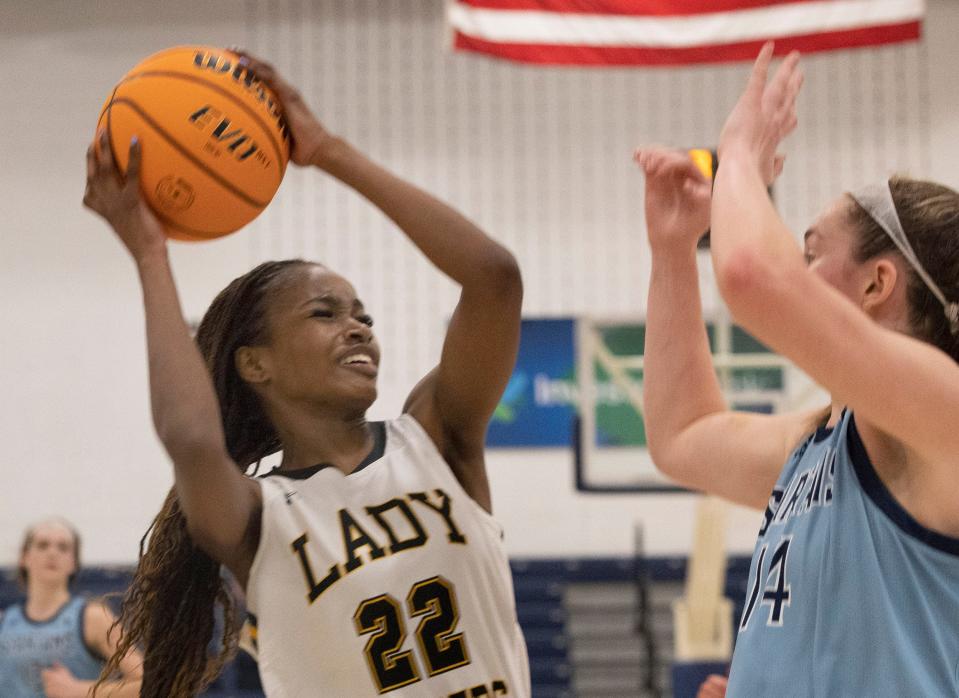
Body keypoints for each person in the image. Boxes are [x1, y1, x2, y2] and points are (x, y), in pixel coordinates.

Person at [83, 49, 529, 698]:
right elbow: (190, 438)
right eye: (324, 313)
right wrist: (150, 252)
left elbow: (494, 279)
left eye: (362, 316)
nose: (358, 329)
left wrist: (327, 151)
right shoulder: (259, 516)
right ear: (254, 363)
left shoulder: (437, 440)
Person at [638, 43, 959, 695]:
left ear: (876, 283)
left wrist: (741, 162)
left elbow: (754, 277)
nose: (800, 272)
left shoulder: (941, 416)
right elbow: (682, 435)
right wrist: (673, 249)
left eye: (812, 252)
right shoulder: (823, 439)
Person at [0, 519, 143, 697]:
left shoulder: (93, 617)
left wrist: (81, 690)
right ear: (24, 557)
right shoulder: (5, 622)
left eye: (63, 547)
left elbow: (146, 683)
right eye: (42, 545)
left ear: (74, 563)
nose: (52, 553)